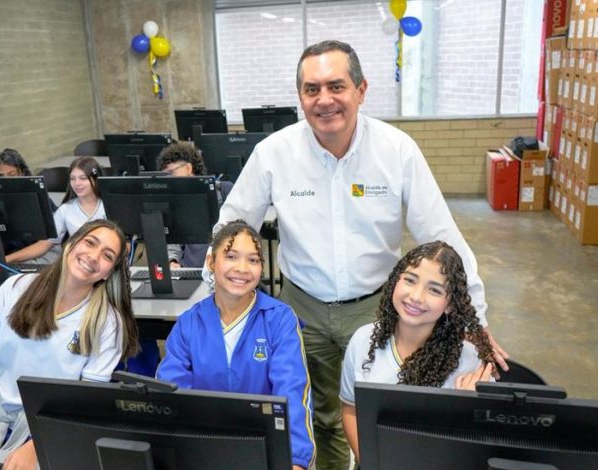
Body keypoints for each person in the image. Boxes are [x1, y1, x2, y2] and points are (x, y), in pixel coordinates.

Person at [213, 39, 508, 469]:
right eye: (312, 89)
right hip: (303, 309)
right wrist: (212, 299)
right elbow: (231, 224)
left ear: (361, 90)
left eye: (337, 85)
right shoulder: (274, 153)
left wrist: (475, 321)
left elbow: (445, 238)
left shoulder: (396, 150)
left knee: (384, 413)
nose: (324, 99)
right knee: (320, 416)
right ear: (300, 97)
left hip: (378, 307)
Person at [0, 219, 139, 469]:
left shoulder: (106, 322)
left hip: (55, 427)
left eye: (107, 255)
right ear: (71, 244)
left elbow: (85, 402)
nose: (93, 256)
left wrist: (35, 446)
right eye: (90, 243)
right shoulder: (15, 289)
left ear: (108, 272)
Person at [157, 220, 315, 470]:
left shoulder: (279, 319)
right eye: (231, 256)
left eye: (253, 260)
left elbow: (293, 392)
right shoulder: (189, 323)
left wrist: (295, 461)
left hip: (267, 451)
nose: (242, 268)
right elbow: (173, 398)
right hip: (204, 450)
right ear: (211, 262)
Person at [340, 241, 495, 462]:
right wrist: (372, 462)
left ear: (450, 304)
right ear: (395, 281)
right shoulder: (363, 341)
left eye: (434, 289)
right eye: (410, 280)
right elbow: (351, 410)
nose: (416, 296)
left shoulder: (471, 365)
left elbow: (484, 450)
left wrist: (469, 408)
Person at [6, 157, 106, 264]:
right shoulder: (65, 210)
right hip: (78, 264)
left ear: (95, 179)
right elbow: (44, 244)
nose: (77, 183)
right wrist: (8, 258)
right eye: (72, 178)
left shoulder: (109, 205)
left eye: (83, 178)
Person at [156, 141, 233, 269]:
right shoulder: (174, 203)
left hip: (225, 272)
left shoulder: (224, 191)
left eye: (170, 173)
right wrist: (172, 261)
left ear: (188, 168)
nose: (167, 179)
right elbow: (173, 239)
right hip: (191, 273)